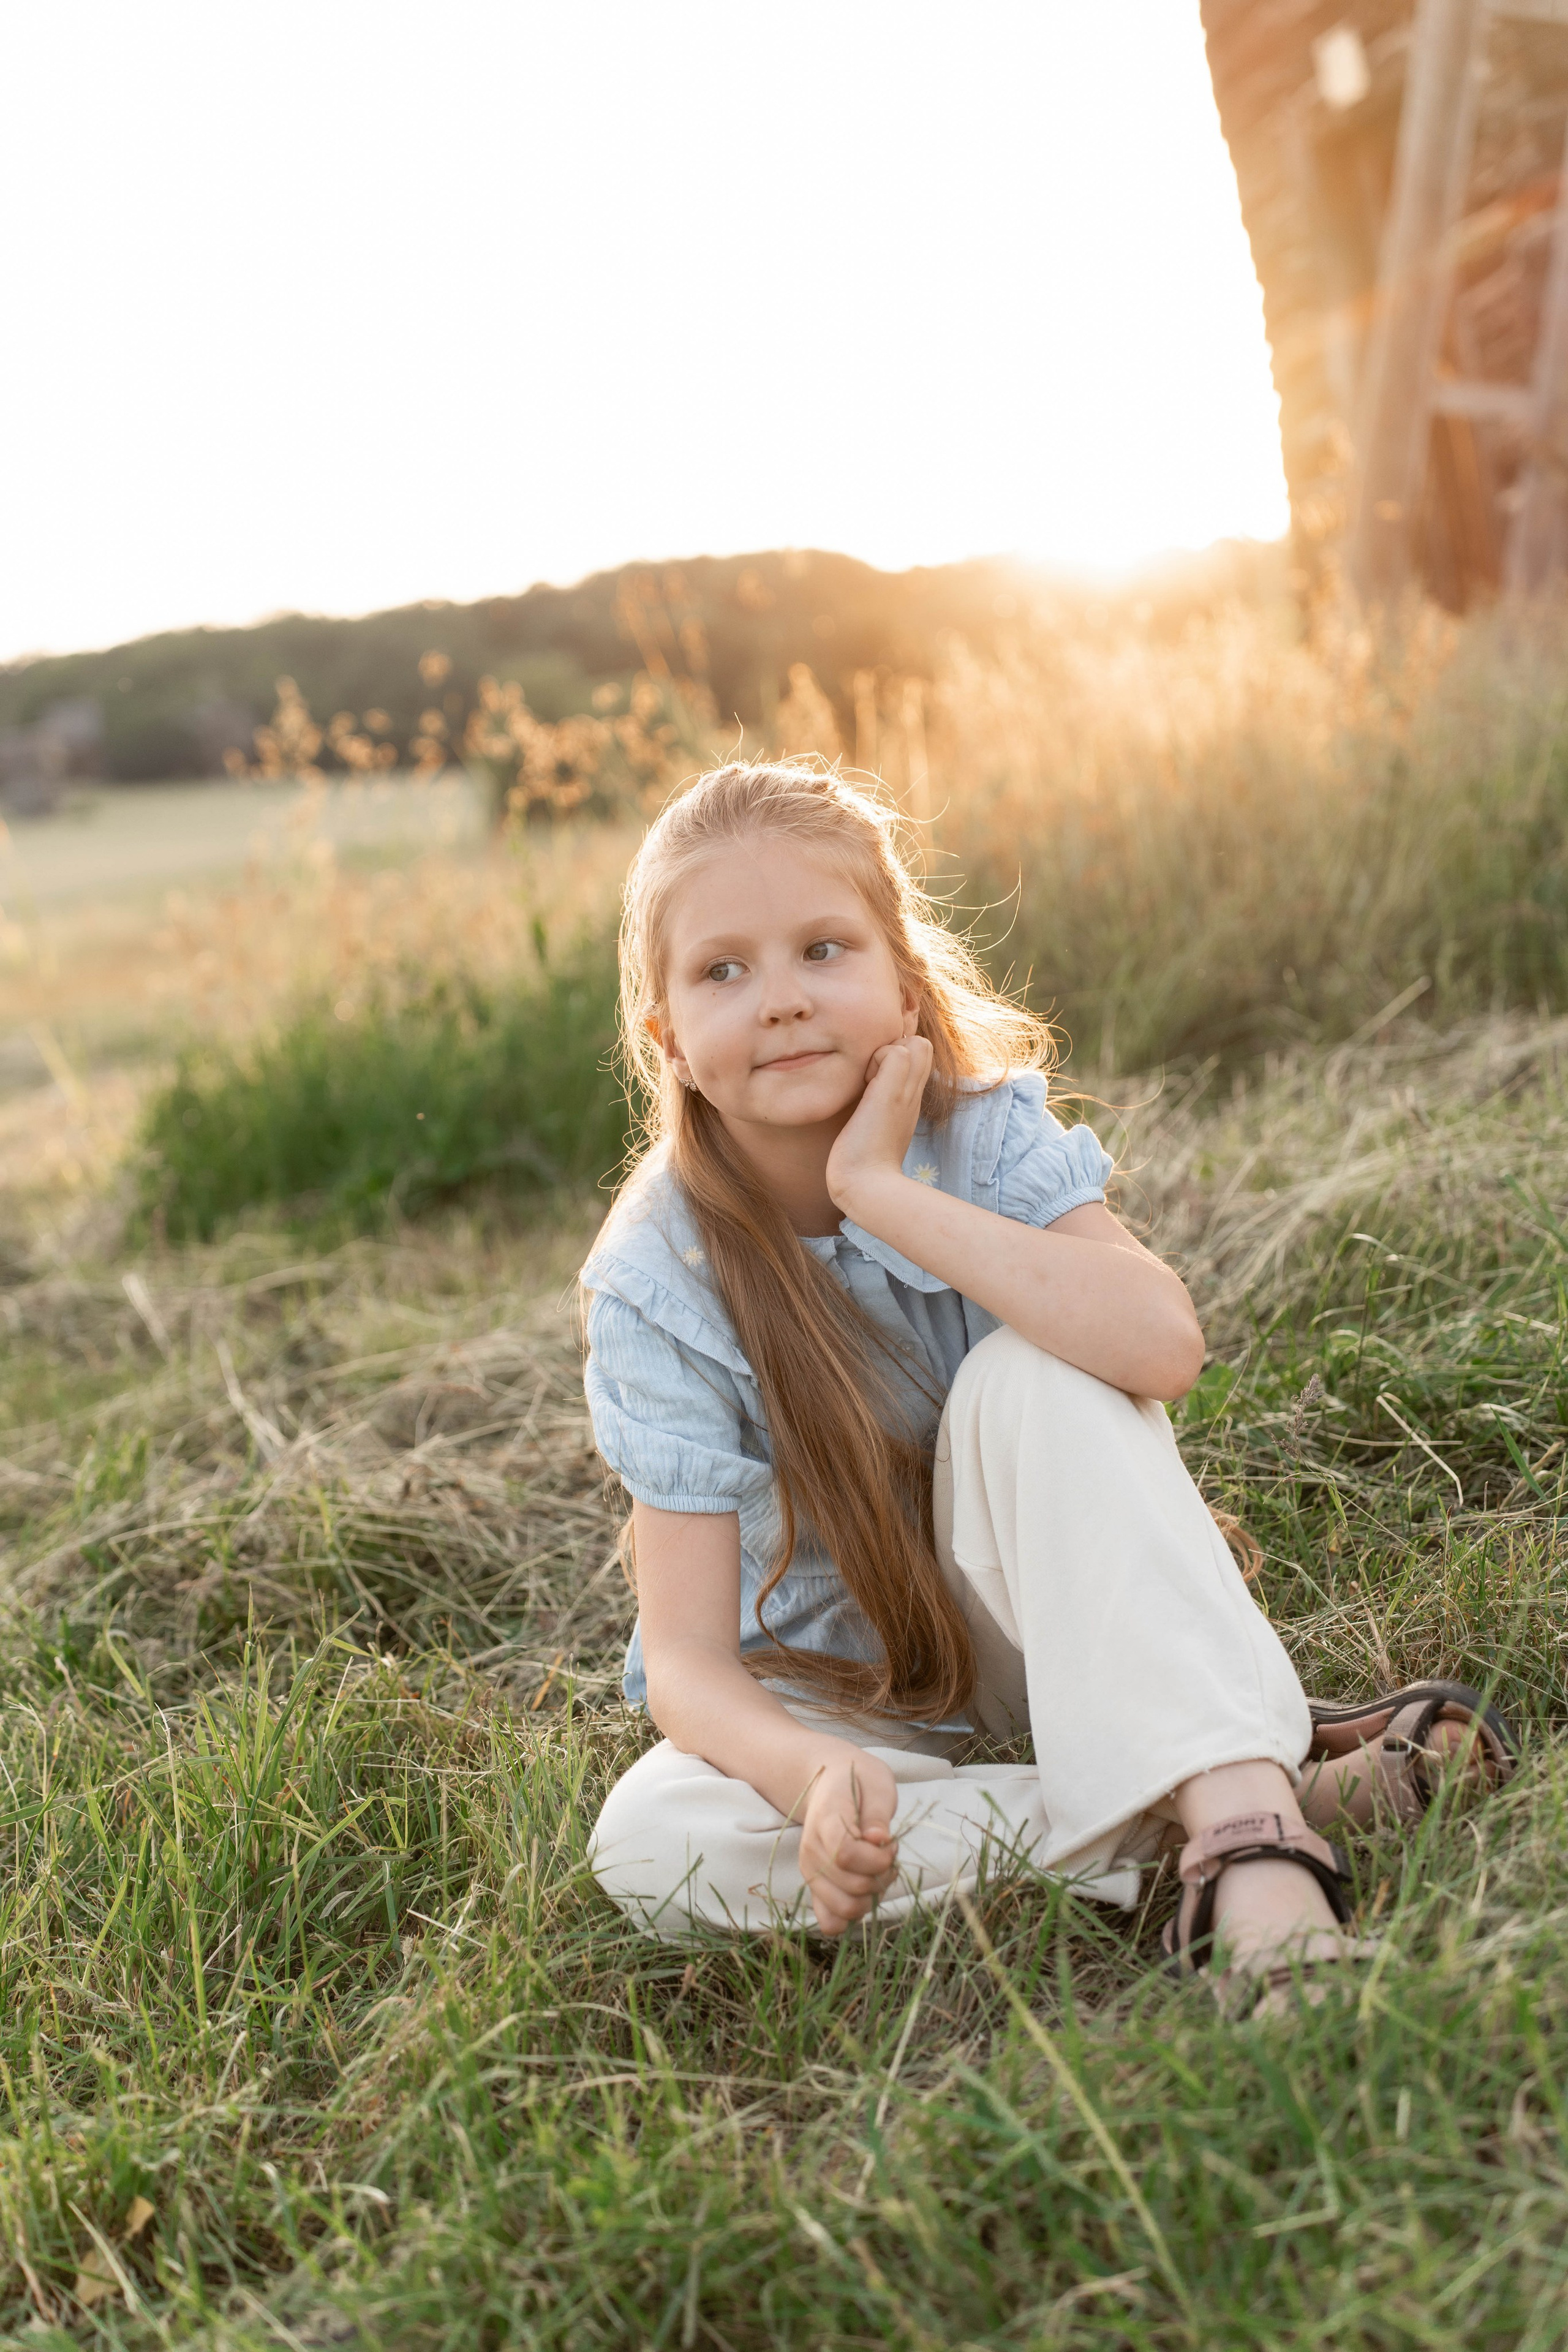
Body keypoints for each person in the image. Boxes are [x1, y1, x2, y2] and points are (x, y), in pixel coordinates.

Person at [579, 761, 1515, 2011]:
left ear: (901, 978)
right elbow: (689, 1664)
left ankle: (1252, 1850)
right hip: (842, 1697)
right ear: (670, 1043)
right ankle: (1224, 1790)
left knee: (1033, 1372)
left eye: (822, 949)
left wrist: (882, 1194)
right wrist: (805, 1775)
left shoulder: (979, 1136)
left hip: (1044, 1624)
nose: (783, 998)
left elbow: (1159, 1346)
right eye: (723, 970)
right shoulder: (657, 1274)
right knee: (651, 1839)